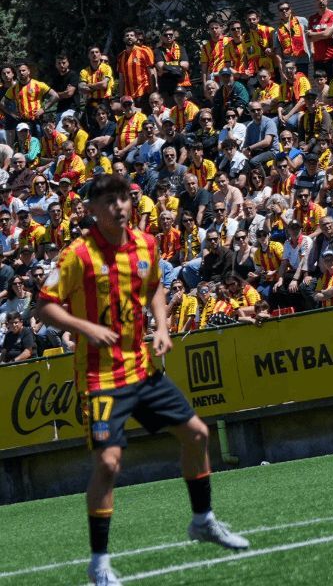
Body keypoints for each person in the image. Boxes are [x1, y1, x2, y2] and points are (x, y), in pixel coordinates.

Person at [35, 174, 249, 586]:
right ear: (93, 210)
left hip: (142, 368)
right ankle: (99, 564)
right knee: (109, 463)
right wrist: (86, 327)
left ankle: (202, 520)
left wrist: (163, 326)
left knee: (198, 434)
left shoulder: (146, 246)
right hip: (100, 377)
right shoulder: (76, 255)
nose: (119, 206)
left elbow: (154, 289)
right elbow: (43, 307)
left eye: (124, 199)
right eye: (110, 200)